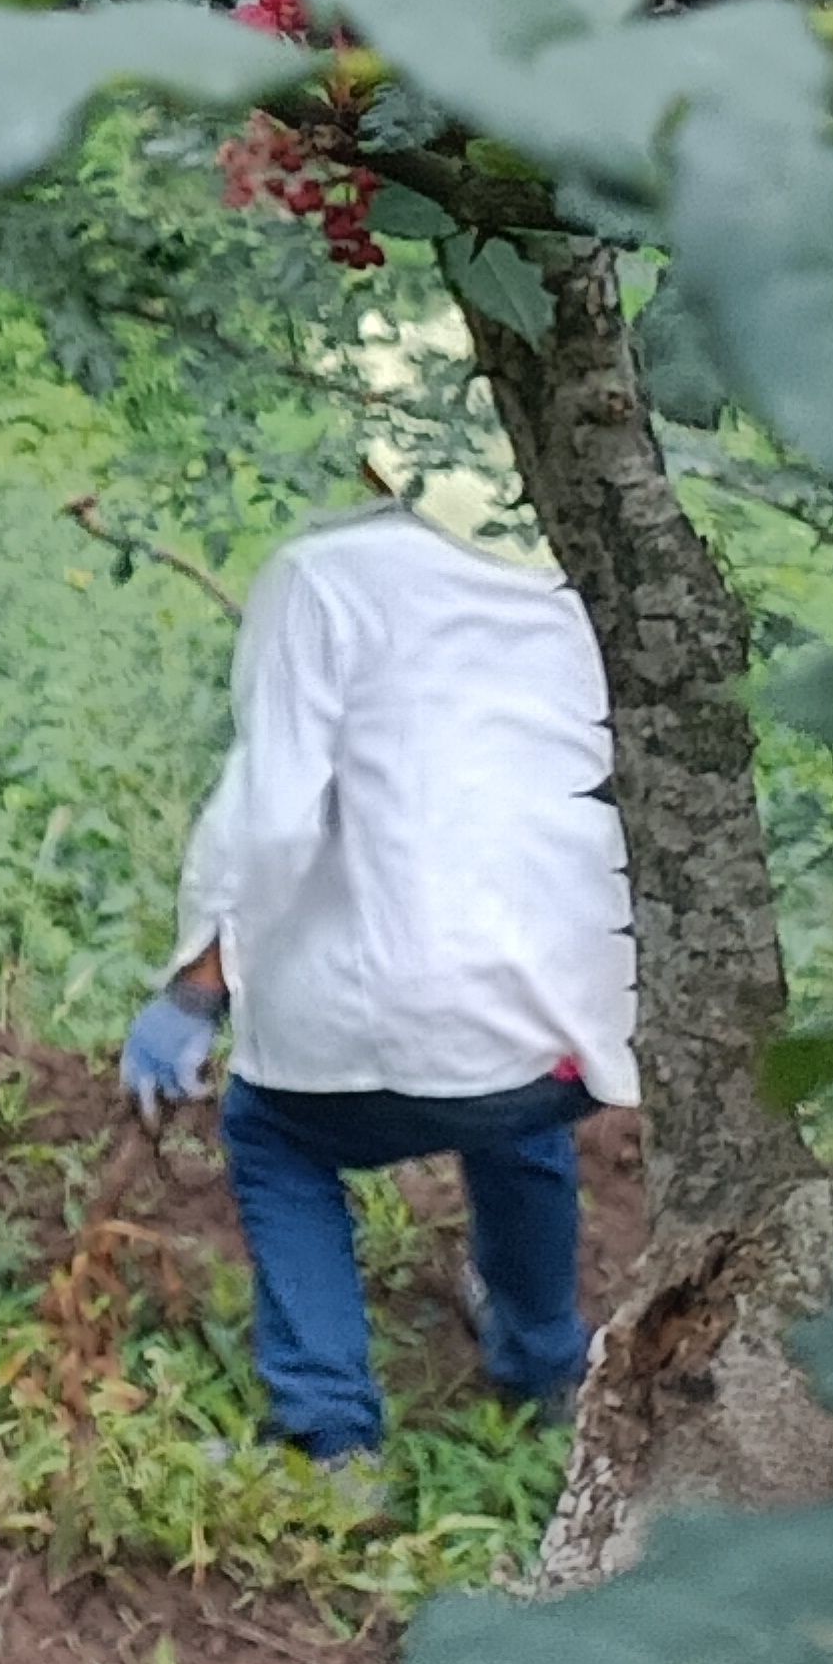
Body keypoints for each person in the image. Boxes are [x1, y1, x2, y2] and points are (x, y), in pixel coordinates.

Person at [125, 487, 634, 1467]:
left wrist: (196, 986)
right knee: (517, 1109)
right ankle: (544, 1367)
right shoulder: (577, 583)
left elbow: (271, 817)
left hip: (384, 1008)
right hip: (558, 1002)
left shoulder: (323, 576)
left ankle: (325, 1433)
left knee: (273, 1136)